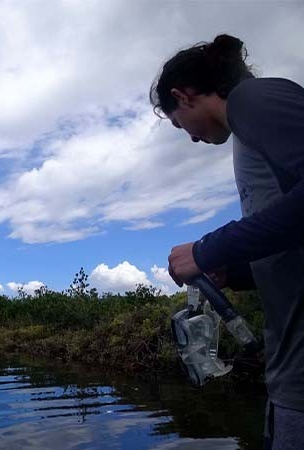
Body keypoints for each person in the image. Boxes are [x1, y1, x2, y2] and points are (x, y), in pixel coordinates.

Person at [151, 34, 304, 449]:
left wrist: (204, 250)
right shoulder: (247, 130)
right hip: (289, 379)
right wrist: (234, 270)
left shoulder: (253, 99)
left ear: (183, 97)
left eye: (181, 125)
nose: (191, 139)